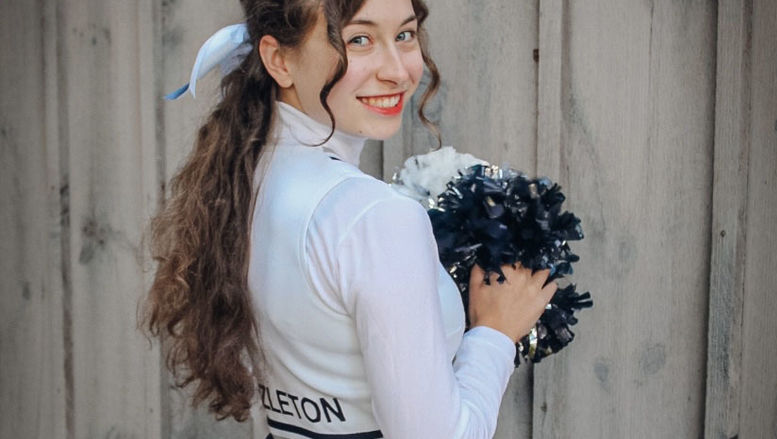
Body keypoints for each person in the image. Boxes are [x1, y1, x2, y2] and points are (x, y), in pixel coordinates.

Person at [141, 0, 557, 437]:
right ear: (279, 60)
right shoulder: (373, 218)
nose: (397, 70)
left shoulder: (242, 184)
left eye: (405, 35)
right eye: (359, 39)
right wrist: (493, 336)